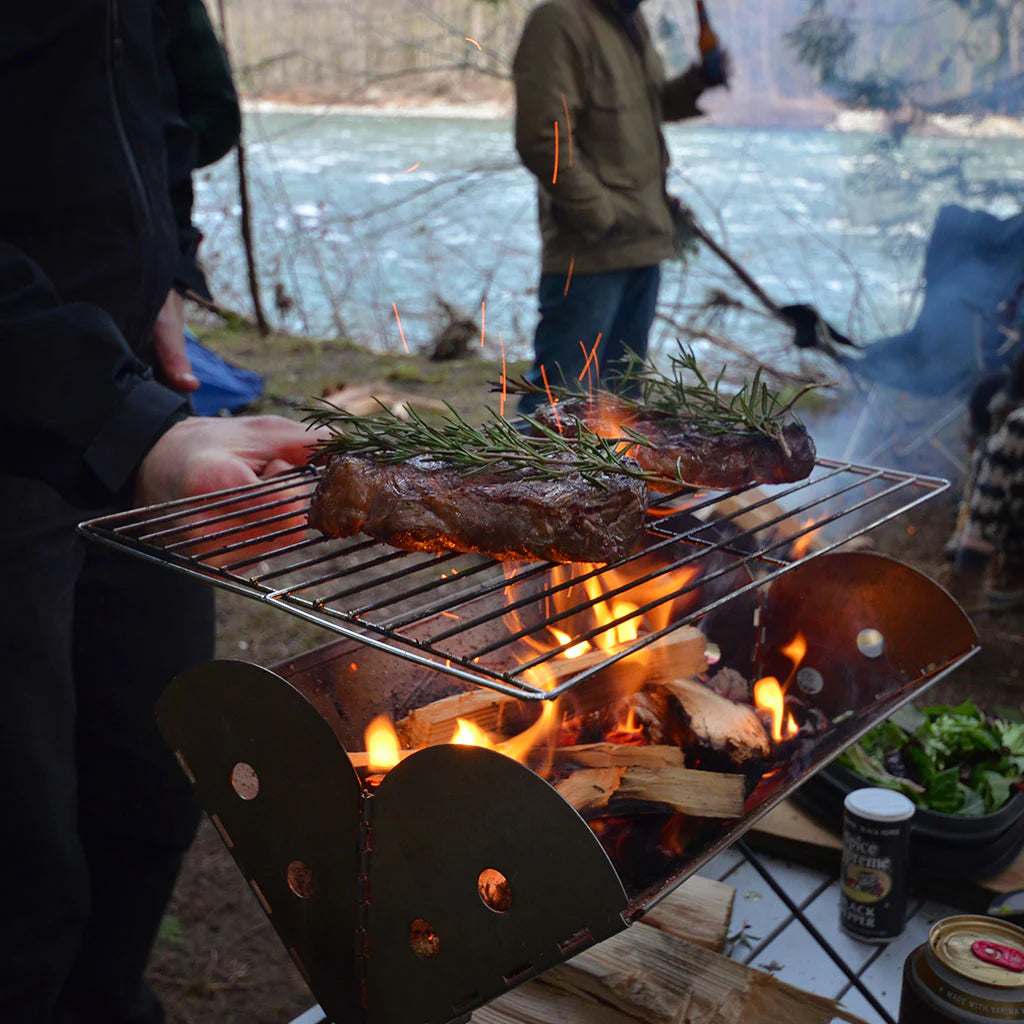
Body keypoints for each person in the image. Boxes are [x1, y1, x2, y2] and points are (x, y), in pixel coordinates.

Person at [0, 4, 325, 1021]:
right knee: (18, 844)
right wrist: (122, 422)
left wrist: (167, 264)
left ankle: (98, 1000)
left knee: (153, 768)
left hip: (125, 375)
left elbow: (169, 101)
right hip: (28, 408)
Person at [512, 0, 730, 416]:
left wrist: (698, 82)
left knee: (620, 408)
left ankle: (613, 484)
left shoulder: (627, 18)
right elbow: (543, 138)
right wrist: (601, 215)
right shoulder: (560, 21)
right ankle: (527, 483)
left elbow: (646, 107)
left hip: (643, 241)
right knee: (558, 406)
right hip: (591, 251)